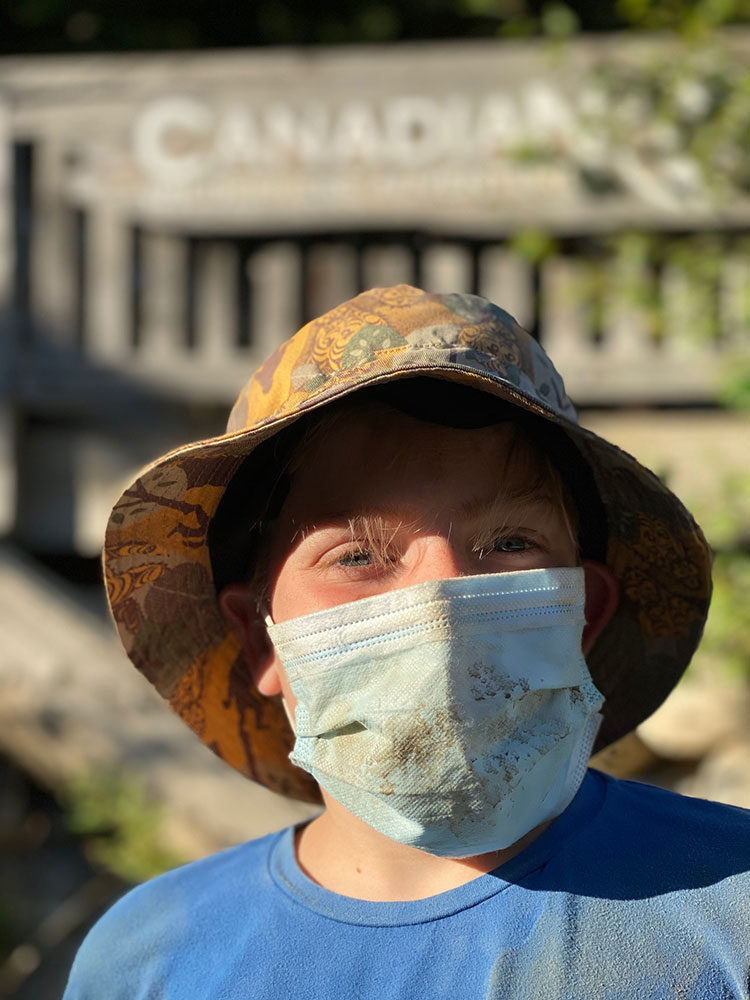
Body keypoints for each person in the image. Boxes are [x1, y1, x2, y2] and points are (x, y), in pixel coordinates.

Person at [64, 285, 749, 999]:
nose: (441, 605)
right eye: (356, 557)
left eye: (510, 543)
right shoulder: (150, 962)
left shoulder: (732, 912)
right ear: (260, 639)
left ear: (585, 612)